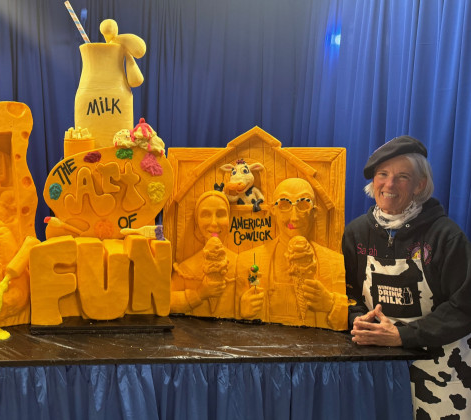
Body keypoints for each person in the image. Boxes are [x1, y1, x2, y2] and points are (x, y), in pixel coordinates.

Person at [344, 135, 471, 419]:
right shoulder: (355, 233)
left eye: (402, 177)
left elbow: (464, 306)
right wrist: (356, 317)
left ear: (420, 185)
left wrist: (403, 335)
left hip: (441, 367)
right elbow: (347, 291)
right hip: (377, 364)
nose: (389, 185)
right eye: (383, 175)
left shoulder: (446, 237)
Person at [236, 178, 348, 329]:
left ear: (314, 212)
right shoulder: (248, 260)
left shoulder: (335, 263)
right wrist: (242, 310)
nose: (294, 217)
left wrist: (331, 304)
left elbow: (348, 320)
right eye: (284, 205)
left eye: (303, 205)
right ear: (272, 210)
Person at [170, 190, 237, 318]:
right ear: (197, 221)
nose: (213, 223)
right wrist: (200, 294)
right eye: (206, 215)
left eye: (221, 214)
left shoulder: (240, 264)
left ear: (229, 219)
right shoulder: (185, 269)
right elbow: (167, 302)